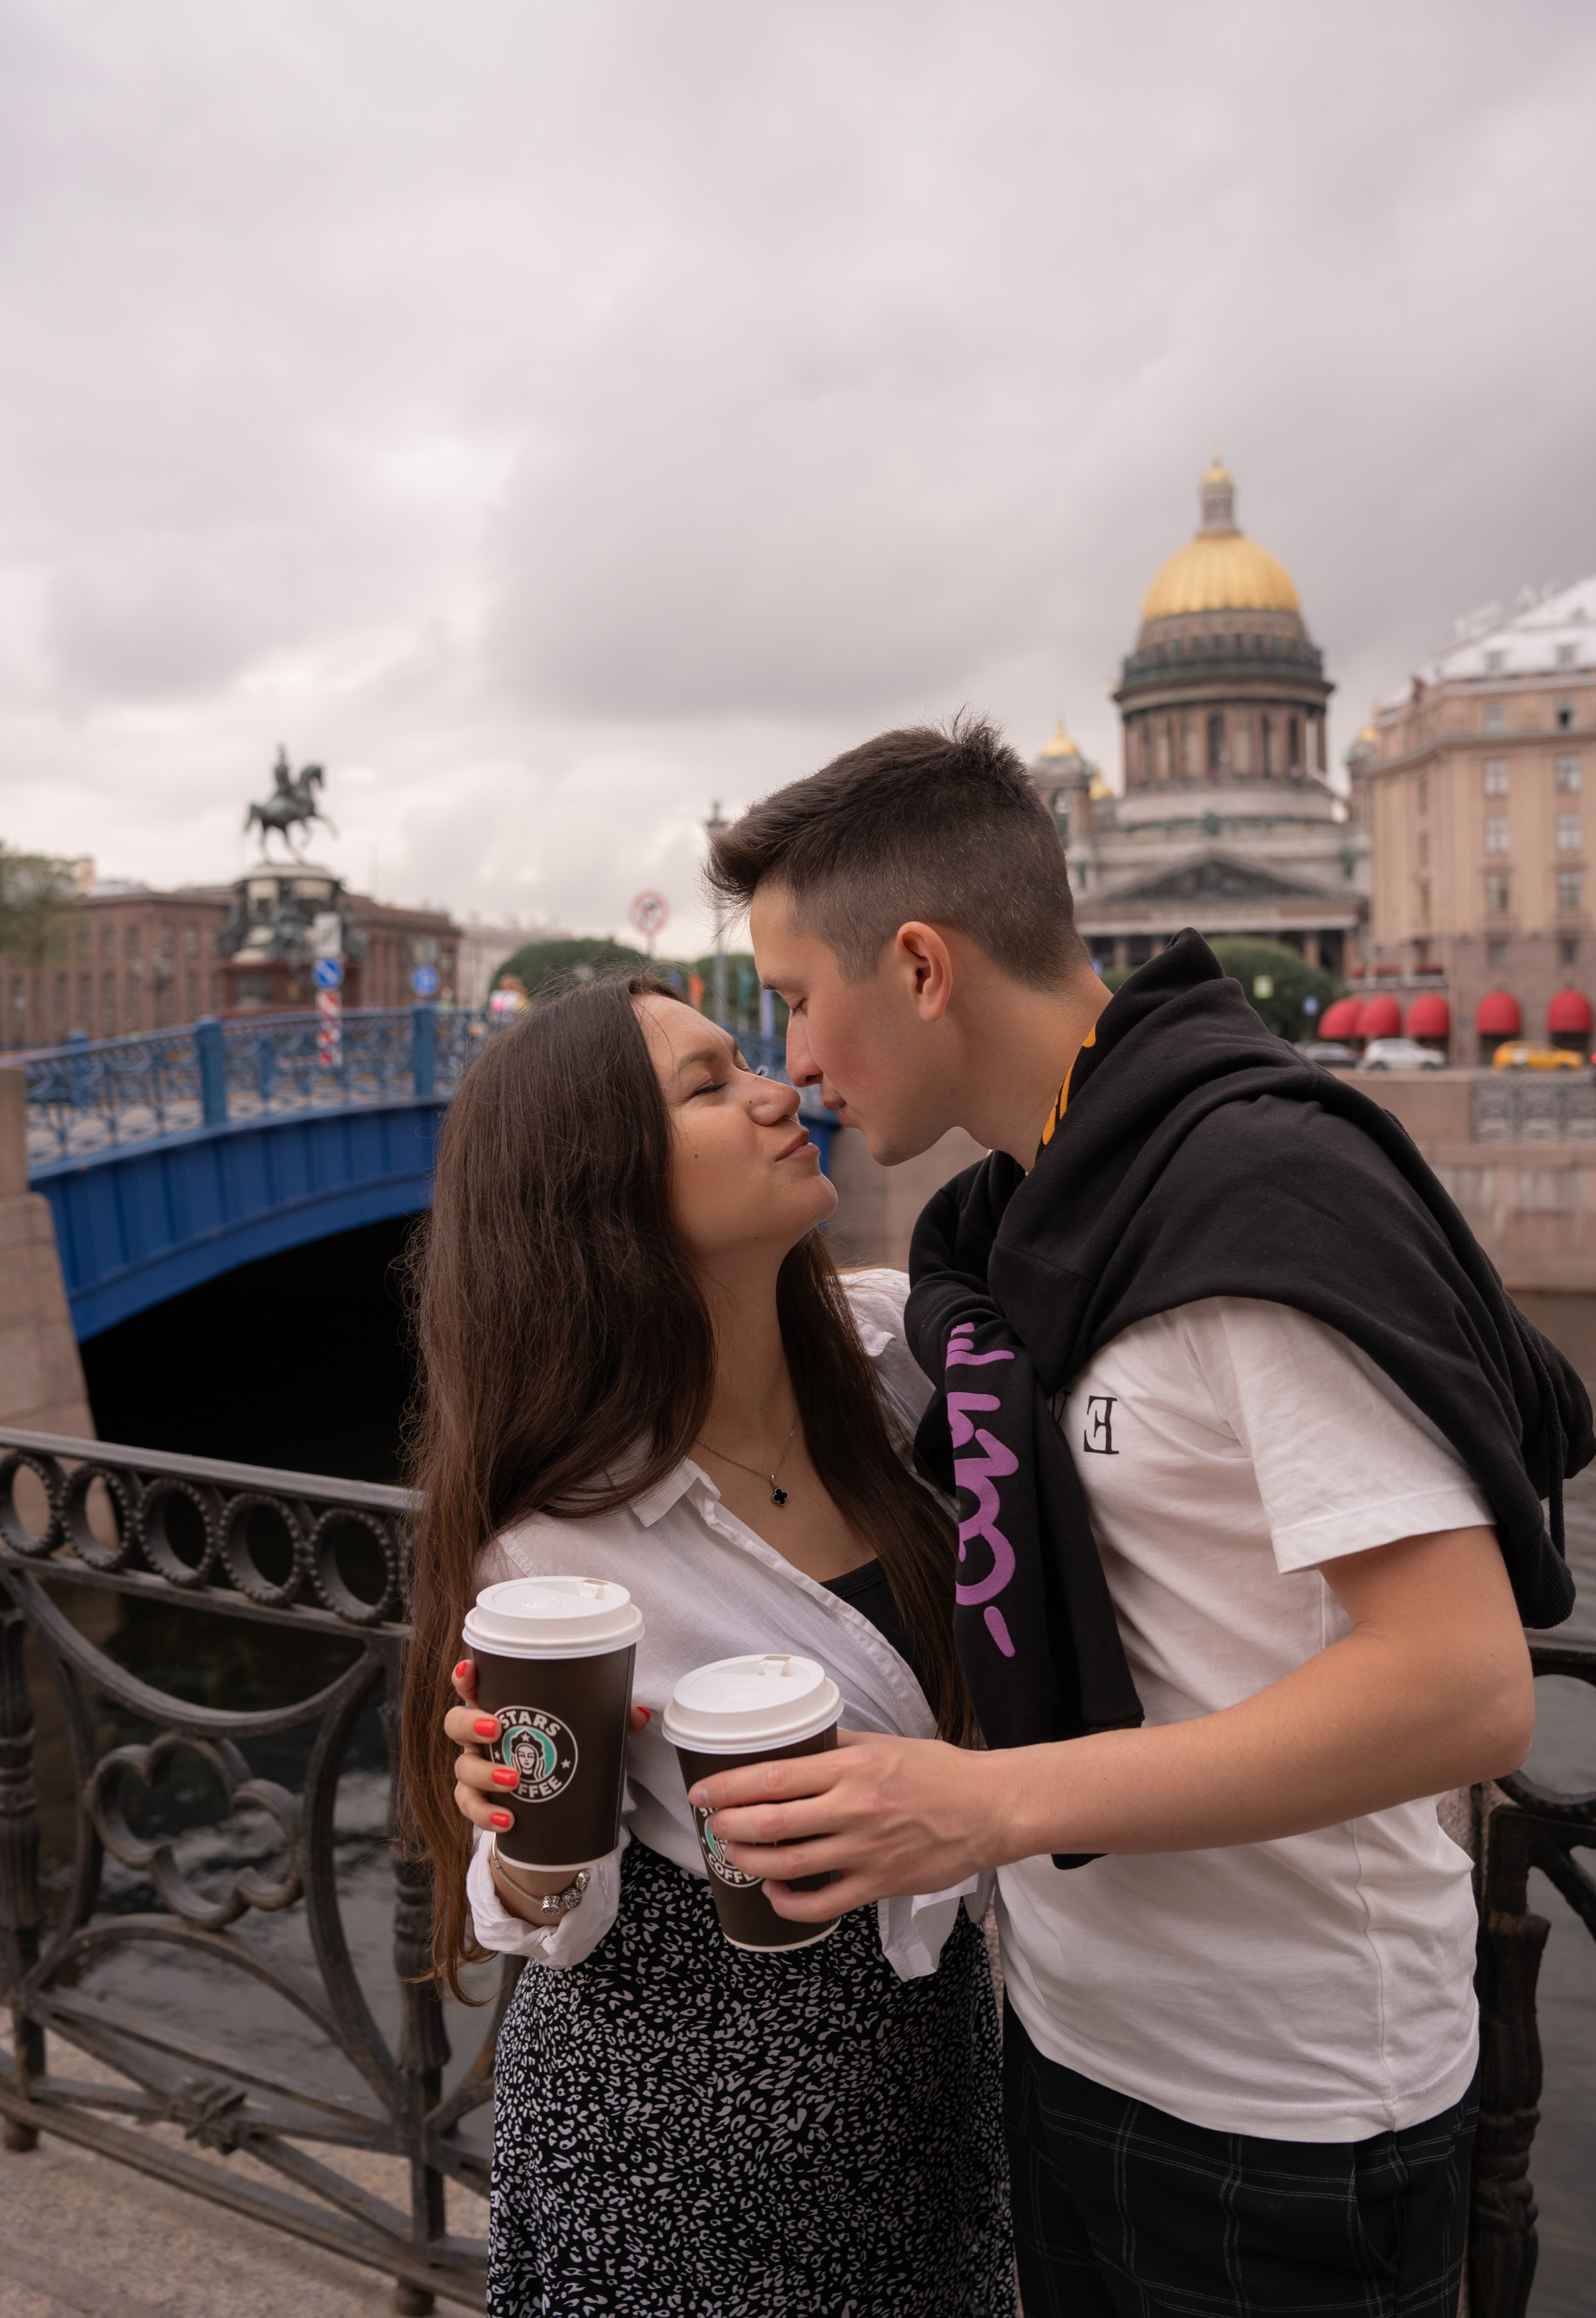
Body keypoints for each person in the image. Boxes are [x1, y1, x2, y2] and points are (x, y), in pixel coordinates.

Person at [698, 717, 1587, 2318]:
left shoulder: (1250, 1199)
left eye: (791, 1002)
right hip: (1076, 2040)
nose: (793, 1065)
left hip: (1288, 2107)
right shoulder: (1014, 1227)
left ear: (916, 966)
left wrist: (983, 1805)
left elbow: (1463, 1690)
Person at [399, 972, 1015, 2318]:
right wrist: (517, 1829)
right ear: (594, 1188)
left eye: (748, 1061)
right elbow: (548, 1922)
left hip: (928, 2066)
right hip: (677, 2133)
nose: (776, 1090)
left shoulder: (895, 1350)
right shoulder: (554, 1542)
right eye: (706, 1085)